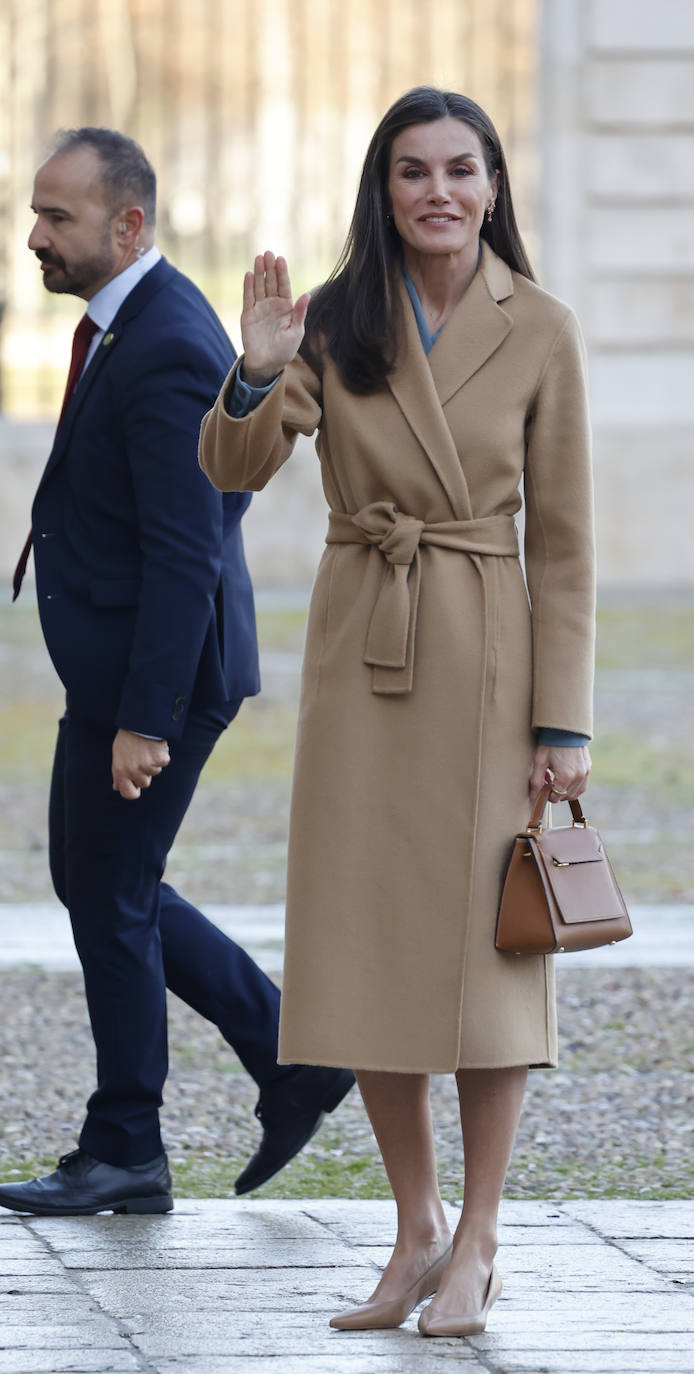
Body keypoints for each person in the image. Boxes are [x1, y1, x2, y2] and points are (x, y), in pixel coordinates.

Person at [199, 86, 594, 1336]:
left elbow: (569, 546)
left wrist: (562, 724)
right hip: (365, 647)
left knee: (485, 958)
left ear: (493, 187)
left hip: (485, 649)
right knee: (364, 941)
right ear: (384, 190)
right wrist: (257, 372)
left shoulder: (539, 327)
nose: (438, 192)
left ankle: (478, 1236)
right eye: (413, 172)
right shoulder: (339, 319)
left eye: (461, 170)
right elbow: (235, 470)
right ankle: (414, 1224)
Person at [0, 128, 353, 1219]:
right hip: (122, 671)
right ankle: (288, 1058)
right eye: (36, 213)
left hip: (161, 678)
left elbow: (192, 541)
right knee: (104, 885)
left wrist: (144, 718)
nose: (34, 237)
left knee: (108, 895)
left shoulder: (163, 340)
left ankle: (127, 1147)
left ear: (128, 224)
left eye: (57, 217)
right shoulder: (130, 324)